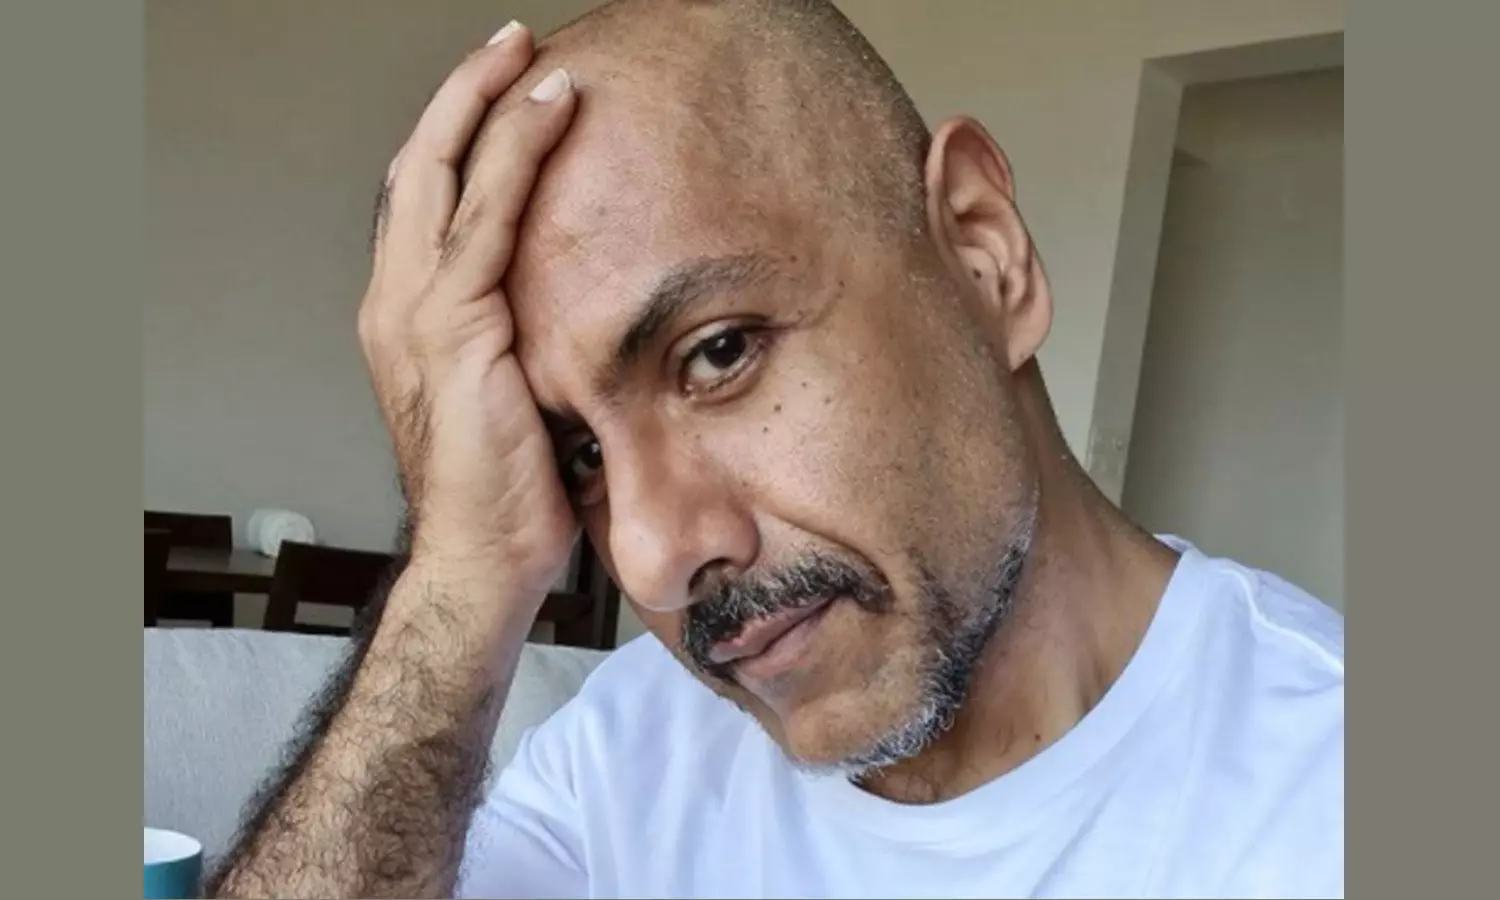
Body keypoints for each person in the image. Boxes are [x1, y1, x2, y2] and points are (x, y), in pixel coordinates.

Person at [207, 1, 1345, 897]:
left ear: (984, 255)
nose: (651, 558)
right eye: (580, 455)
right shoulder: (627, 755)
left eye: (718, 354)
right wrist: (460, 579)